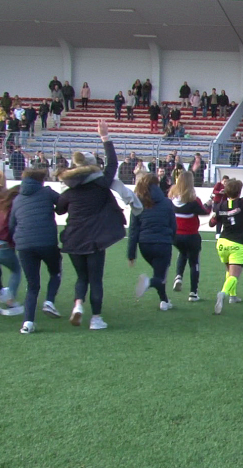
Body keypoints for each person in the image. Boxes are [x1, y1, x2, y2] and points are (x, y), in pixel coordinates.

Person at [55, 121, 127, 330]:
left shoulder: (69, 191)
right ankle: (96, 318)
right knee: (95, 279)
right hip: (95, 240)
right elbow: (113, 164)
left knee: (81, 278)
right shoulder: (100, 185)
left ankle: (78, 304)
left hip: (73, 238)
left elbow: (59, 209)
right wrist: (105, 137)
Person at [8, 168, 62, 333]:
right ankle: (49, 301)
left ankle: (28, 323)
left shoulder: (17, 199)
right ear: (41, 180)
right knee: (55, 271)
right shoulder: (46, 192)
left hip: (24, 246)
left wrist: (18, 240)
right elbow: (63, 205)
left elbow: (12, 225)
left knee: (32, 285)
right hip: (47, 242)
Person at [209, 179, 243, 314]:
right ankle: (223, 293)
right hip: (237, 243)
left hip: (222, 243)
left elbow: (211, 223)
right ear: (239, 191)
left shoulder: (220, 206)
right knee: (234, 275)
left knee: (229, 270)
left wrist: (218, 214)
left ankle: (233, 296)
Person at [129, 174, 177, 310]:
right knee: (160, 277)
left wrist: (131, 253)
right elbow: (173, 226)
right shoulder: (167, 202)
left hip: (145, 245)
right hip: (163, 244)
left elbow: (134, 230)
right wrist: (171, 240)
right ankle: (148, 283)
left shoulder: (138, 203)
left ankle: (164, 301)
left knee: (159, 273)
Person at [169, 171, 210, 302]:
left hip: (175, 236)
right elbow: (205, 212)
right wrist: (211, 202)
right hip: (191, 236)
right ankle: (193, 292)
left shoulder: (171, 198)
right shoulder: (193, 200)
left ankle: (178, 276)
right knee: (194, 263)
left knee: (182, 253)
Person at [0, 186, 23, 316]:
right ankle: (10, 300)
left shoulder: (1, 205)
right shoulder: (13, 209)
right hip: (4, 245)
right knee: (15, 270)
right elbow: (12, 228)